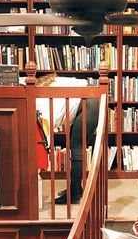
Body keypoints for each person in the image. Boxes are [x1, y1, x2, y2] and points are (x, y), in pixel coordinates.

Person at [36, 74, 100, 204]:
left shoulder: (39, 102)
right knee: (78, 146)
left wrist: (44, 148)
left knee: (77, 148)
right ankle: (77, 188)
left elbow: (45, 130)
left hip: (88, 103)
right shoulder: (47, 83)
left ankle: (74, 193)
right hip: (91, 96)